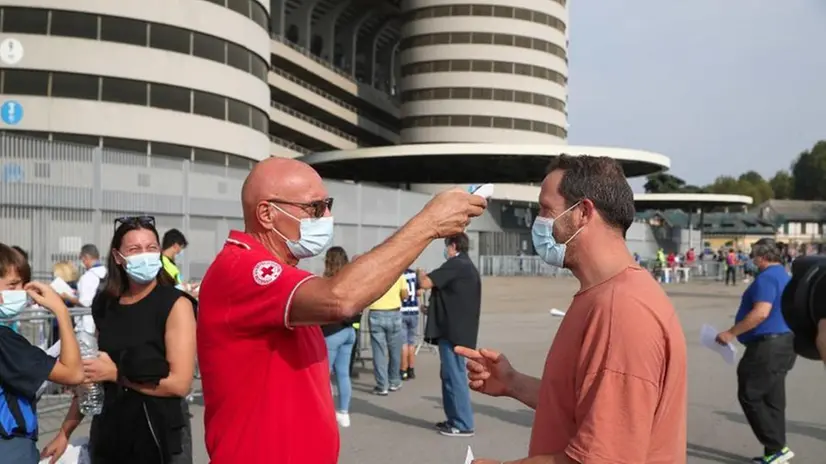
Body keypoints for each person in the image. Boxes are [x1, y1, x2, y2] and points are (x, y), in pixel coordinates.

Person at [196, 157, 486, 464]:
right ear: (267, 213)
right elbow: (340, 298)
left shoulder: (283, 273)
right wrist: (428, 224)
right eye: (315, 208)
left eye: (328, 204)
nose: (327, 216)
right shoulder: (241, 267)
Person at [457, 155, 687, 464]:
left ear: (582, 213)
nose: (538, 222)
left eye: (546, 209)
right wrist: (513, 382)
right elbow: (587, 404)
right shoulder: (603, 296)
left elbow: (602, 459)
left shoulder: (621, 311)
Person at [42, 216, 197, 464]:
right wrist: (64, 432)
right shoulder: (105, 304)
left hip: (159, 437)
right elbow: (92, 377)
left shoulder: (176, 305)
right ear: (118, 257)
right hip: (111, 433)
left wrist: (118, 375)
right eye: (134, 249)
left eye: (151, 248)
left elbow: (179, 384)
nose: (144, 255)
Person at [0, 243, 84, 463]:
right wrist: (61, 311)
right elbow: (73, 374)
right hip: (10, 447)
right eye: (13, 285)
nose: (22, 293)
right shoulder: (4, 341)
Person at [715, 238, 796, 463]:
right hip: (785, 342)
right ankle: (775, 451)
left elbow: (761, 312)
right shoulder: (784, 275)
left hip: (767, 345)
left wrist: (731, 332)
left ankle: (776, 446)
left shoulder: (767, 278)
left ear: (761, 257)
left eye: (753, 255)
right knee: (773, 398)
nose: (751, 259)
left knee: (750, 394)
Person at [418, 233, 481, 437]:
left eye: (447, 246)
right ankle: (454, 418)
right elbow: (453, 297)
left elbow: (427, 283)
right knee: (449, 376)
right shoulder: (465, 267)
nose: (445, 251)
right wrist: (433, 308)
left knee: (455, 377)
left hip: (454, 334)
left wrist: (419, 273)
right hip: (456, 331)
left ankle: (463, 423)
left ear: (453, 246)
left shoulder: (457, 264)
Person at [320, 246, 359, 427]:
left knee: (323, 375)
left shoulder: (327, 282)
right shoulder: (352, 282)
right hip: (349, 330)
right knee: (343, 374)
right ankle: (344, 412)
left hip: (331, 332)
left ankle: (324, 412)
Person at [367, 271, 408, 395]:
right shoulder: (398, 273)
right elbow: (405, 295)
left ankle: (382, 385)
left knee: (379, 351)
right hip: (394, 312)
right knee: (395, 350)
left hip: (376, 312)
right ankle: (394, 380)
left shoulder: (372, 275)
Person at [61, 244, 107, 334]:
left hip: (86, 326)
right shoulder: (106, 272)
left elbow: (85, 302)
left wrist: (67, 297)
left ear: (86, 257)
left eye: (81, 258)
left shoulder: (88, 277)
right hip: (100, 322)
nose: (81, 261)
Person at [400, 267, 421, 380]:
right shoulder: (413, 274)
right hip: (414, 311)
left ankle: (403, 370)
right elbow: (418, 292)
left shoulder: (399, 274)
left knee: (403, 343)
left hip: (402, 310)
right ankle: (411, 369)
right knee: (411, 342)